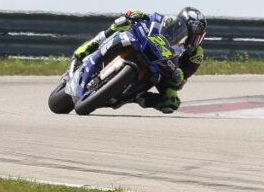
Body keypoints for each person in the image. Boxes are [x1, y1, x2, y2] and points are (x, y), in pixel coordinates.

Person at [73, 7, 207, 113]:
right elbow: (152, 20)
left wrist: (178, 77)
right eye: (193, 34)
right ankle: (90, 47)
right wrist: (136, 15)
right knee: (121, 23)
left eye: (198, 37)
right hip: (147, 46)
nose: (194, 40)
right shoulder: (168, 22)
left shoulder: (195, 55)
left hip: (166, 70)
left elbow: (181, 81)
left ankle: (136, 97)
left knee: (171, 101)